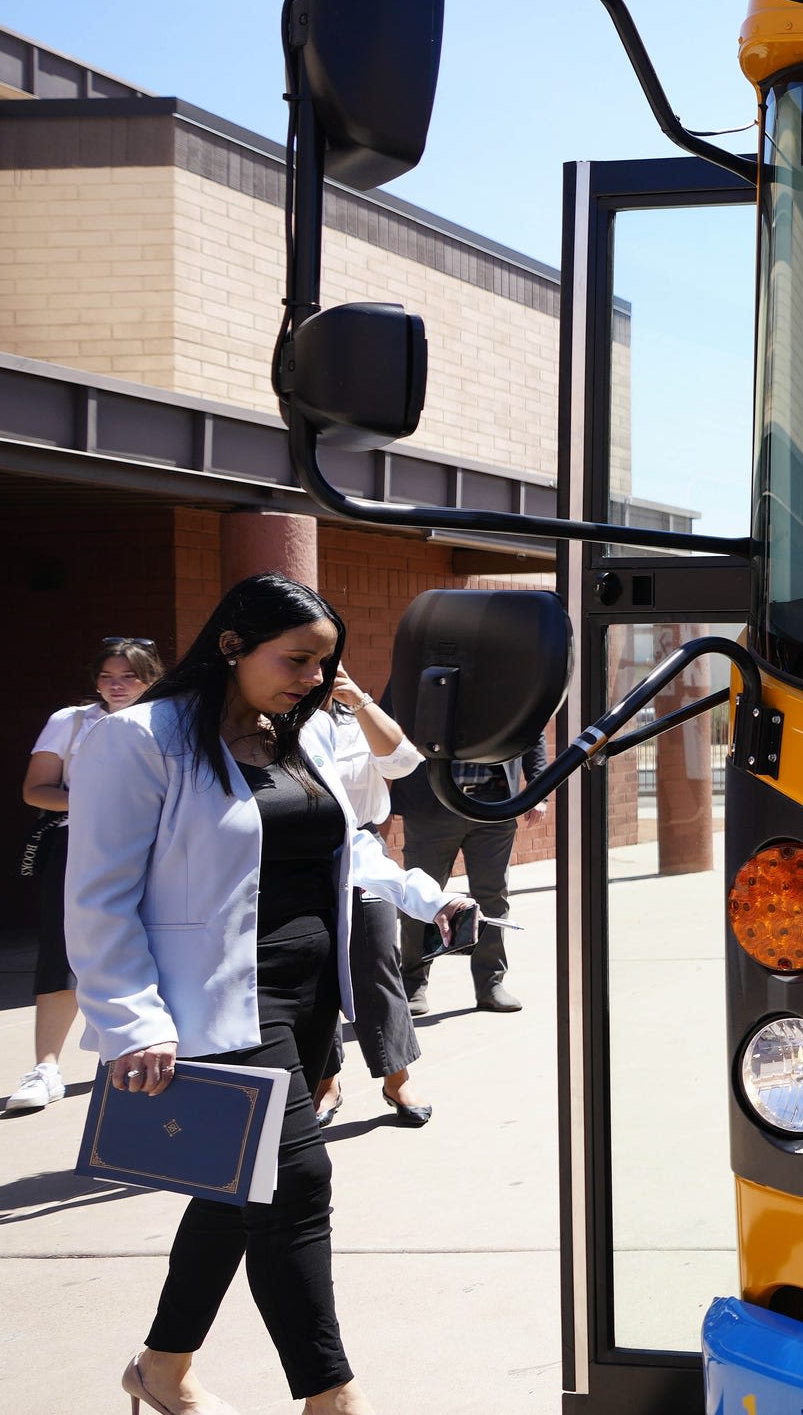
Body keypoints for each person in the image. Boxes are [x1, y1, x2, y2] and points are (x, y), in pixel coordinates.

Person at [67, 573, 471, 1415]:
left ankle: (160, 1368)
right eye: (298, 660)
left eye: (325, 665)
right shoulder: (138, 740)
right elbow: (98, 896)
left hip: (308, 997)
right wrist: (132, 1020)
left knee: (233, 1189)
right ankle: (334, 1399)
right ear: (232, 645)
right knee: (297, 1186)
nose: (315, 680)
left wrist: (430, 897)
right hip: (217, 1006)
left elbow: (340, 848)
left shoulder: (302, 736)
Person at [3, 637, 163, 1114]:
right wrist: (96, 804)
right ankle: (46, 1067)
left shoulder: (169, 720)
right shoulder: (71, 721)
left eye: (129, 676)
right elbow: (36, 790)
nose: (116, 686)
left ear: (152, 678)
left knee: (159, 944)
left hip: (158, 843)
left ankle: (141, 1051)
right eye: (107, 677)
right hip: (79, 844)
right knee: (64, 948)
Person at [306, 682, 428, 1129]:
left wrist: (356, 698)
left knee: (377, 959)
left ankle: (397, 1077)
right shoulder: (276, 722)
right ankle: (326, 1080)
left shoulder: (359, 718)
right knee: (313, 971)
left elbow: (402, 761)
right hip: (299, 856)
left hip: (362, 849)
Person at [393, 731, 543, 1019]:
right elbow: (390, 724)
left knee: (493, 898)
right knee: (419, 897)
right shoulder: (419, 683)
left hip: (494, 805)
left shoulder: (509, 686)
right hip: (430, 806)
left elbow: (531, 730)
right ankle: (412, 984)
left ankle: (491, 985)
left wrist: (538, 787)